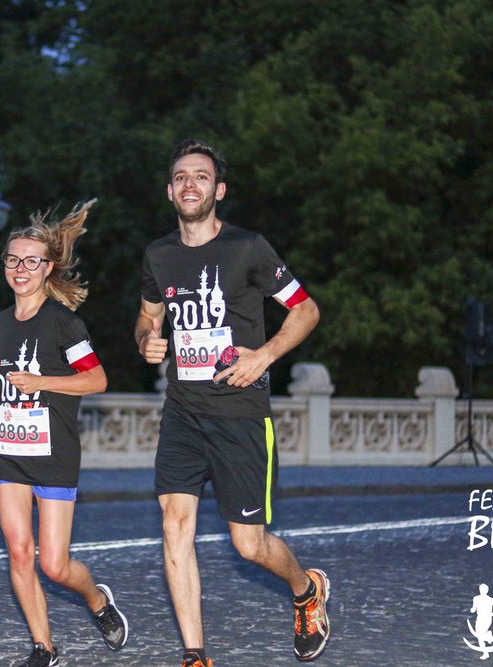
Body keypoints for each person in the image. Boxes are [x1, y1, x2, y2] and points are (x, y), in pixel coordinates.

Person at [135, 140, 327, 666]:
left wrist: (264, 356)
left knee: (248, 544)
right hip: (182, 411)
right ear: (169, 191)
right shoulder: (158, 255)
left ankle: (306, 589)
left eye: (200, 176)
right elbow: (148, 316)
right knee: (174, 524)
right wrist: (146, 338)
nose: (189, 184)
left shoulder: (248, 248)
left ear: (218, 190)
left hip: (240, 412)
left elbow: (306, 310)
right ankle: (195, 655)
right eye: (180, 176)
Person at [0, 201, 128, 667]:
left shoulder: (64, 323)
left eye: (31, 261)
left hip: (54, 453)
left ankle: (97, 600)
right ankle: (43, 648)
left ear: (49, 268)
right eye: (13, 260)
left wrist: (43, 381)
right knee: (18, 551)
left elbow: (97, 380)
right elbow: (6, 397)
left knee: (54, 564)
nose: (21, 269)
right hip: (8, 450)